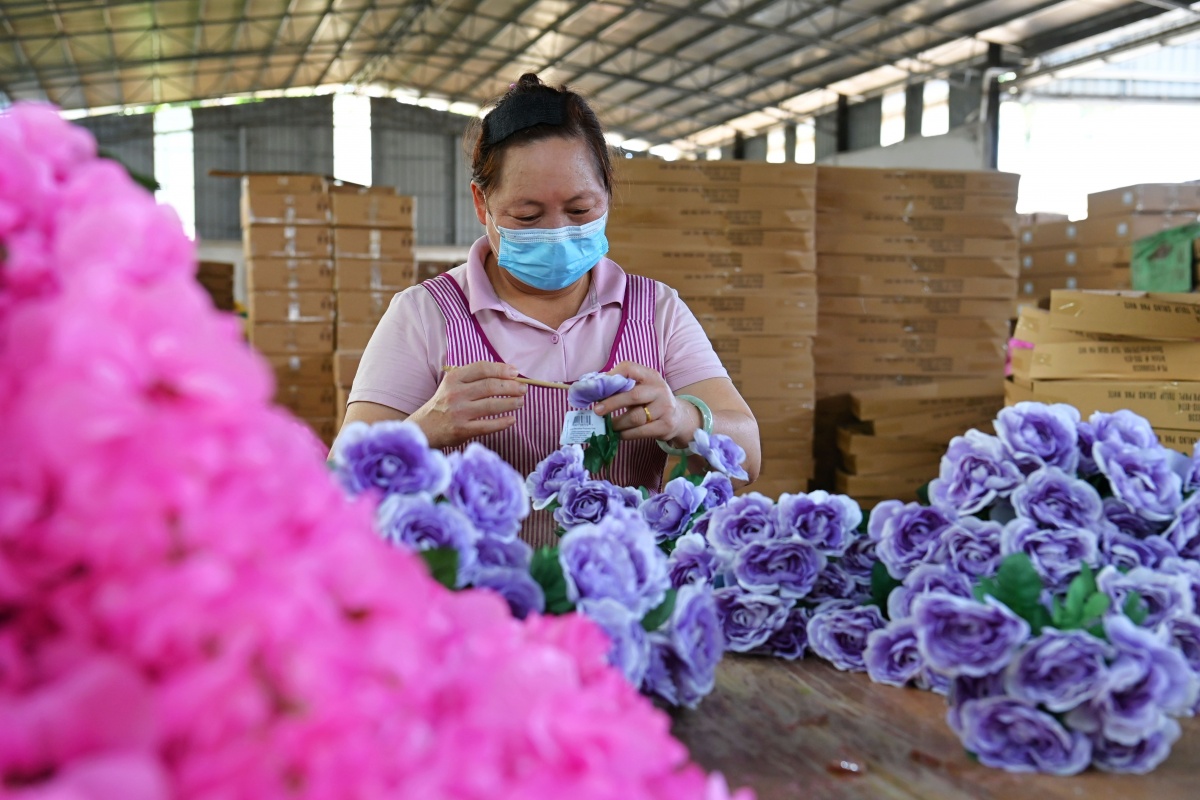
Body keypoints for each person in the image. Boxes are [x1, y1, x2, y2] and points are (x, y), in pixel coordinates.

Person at [342, 73, 761, 545]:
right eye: (527, 216)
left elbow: (748, 452)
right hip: (476, 602)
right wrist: (424, 428)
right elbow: (341, 481)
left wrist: (684, 418)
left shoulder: (655, 311)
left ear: (607, 197)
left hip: (626, 597)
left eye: (580, 211)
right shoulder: (425, 315)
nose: (558, 232)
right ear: (482, 203)